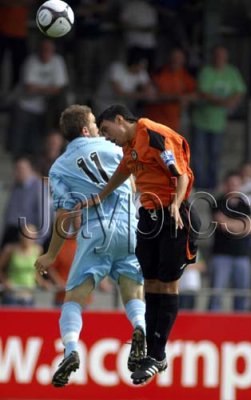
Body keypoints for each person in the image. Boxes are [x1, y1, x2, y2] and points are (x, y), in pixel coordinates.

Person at [82, 104, 200, 384]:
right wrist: (101, 196)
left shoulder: (154, 134)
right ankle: (153, 353)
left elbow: (180, 173)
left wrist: (174, 205)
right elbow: (125, 169)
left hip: (174, 215)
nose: (108, 138)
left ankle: (158, 354)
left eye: (108, 131)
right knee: (151, 282)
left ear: (120, 120)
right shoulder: (130, 144)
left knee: (168, 283)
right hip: (148, 216)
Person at [34, 105, 146, 387]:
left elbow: (63, 215)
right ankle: (140, 327)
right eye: (95, 122)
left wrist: (50, 255)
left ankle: (71, 350)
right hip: (130, 228)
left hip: (95, 233)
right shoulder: (115, 147)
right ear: (86, 128)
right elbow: (134, 184)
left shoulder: (59, 167)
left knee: (74, 300)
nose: (99, 127)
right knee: (132, 289)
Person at [191, 45, 246, 189]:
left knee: (215, 155)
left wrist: (231, 102)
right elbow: (204, 93)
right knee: (198, 155)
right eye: (217, 55)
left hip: (219, 122)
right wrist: (224, 102)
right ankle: (196, 183)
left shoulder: (232, 72)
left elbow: (240, 90)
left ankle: (211, 184)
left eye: (222, 55)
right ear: (213, 57)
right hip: (201, 120)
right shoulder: (207, 72)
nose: (220, 58)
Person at [209, 171, 251, 311]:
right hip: (221, 255)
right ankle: (211, 328)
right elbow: (221, 224)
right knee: (216, 296)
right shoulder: (218, 202)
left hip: (242, 256)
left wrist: (231, 224)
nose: (233, 187)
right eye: (230, 184)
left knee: (242, 297)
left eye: (236, 184)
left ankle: (241, 330)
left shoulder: (246, 205)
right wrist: (243, 226)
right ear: (226, 185)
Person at [0, 224, 52, 306]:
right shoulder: (9, 249)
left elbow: (35, 273)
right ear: (20, 235)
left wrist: (43, 282)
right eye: (26, 235)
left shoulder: (38, 250)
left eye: (31, 235)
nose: (28, 238)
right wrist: (5, 281)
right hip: (12, 295)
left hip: (29, 296)